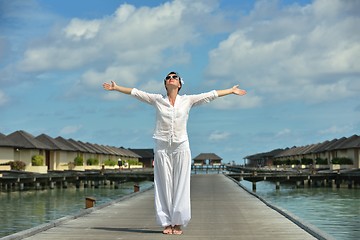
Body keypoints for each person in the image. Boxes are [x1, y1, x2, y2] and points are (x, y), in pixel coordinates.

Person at [102, 72, 246, 235]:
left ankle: (178, 222)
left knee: (181, 184)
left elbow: (211, 95)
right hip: (162, 146)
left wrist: (231, 90)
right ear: (165, 84)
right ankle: (166, 222)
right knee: (163, 184)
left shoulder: (188, 100)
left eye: (174, 77)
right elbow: (136, 92)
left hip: (181, 146)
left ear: (179, 84)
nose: (171, 78)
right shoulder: (157, 100)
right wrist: (116, 88)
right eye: (168, 77)